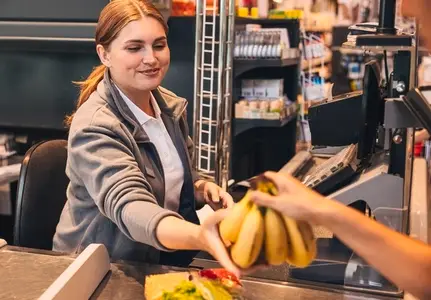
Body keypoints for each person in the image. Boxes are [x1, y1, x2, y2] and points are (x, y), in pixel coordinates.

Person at [53, 0, 236, 271]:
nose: (151, 58)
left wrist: (200, 188)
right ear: (104, 54)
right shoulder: (95, 125)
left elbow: (170, 176)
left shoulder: (168, 106)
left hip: (157, 260)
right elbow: (132, 207)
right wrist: (200, 236)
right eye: (134, 48)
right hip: (97, 269)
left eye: (159, 45)